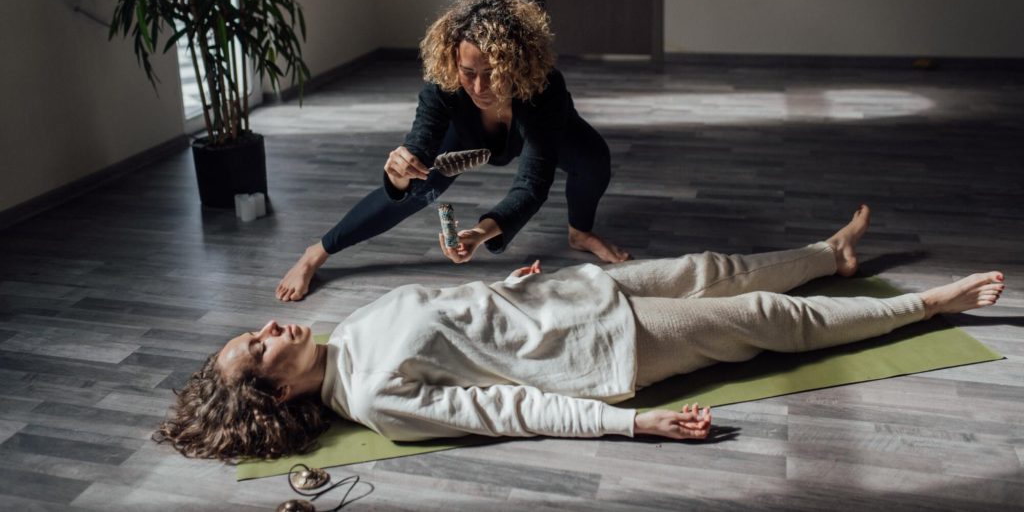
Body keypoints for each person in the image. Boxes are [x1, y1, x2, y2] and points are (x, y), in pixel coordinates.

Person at [157, 206, 1005, 461]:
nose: (270, 326)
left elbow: (455, 320)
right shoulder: (376, 398)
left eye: (256, 329)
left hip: (574, 292)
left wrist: (504, 283)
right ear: (272, 389)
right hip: (609, 349)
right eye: (258, 346)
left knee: (719, 266)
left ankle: (829, 255)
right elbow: (508, 408)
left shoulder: (342, 336)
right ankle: (928, 307)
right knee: (764, 322)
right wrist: (632, 423)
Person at [276, 0, 629, 302]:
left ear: (516, 63)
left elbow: (533, 184)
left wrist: (480, 232)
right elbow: (419, 144)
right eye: (468, 72)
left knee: (596, 161)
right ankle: (316, 252)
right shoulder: (443, 84)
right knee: (416, 186)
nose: (479, 86)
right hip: (468, 137)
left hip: (541, 128)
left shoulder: (544, 87)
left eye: (493, 71)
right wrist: (400, 175)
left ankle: (580, 232)